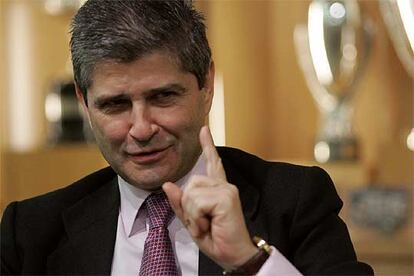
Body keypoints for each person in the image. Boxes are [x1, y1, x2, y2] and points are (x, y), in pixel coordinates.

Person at [1, 0, 373, 275]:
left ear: (206, 85)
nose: (142, 128)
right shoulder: (30, 232)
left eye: (163, 97)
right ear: (84, 103)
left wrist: (248, 261)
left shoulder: (294, 202)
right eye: (115, 105)